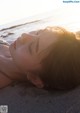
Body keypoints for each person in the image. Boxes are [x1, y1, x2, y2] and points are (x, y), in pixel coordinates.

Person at [0, 26, 80, 90]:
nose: (24, 35)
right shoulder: (14, 52)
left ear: (34, 78)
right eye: (38, 32)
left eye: (31, 47)